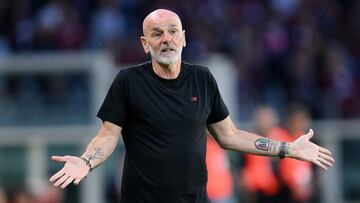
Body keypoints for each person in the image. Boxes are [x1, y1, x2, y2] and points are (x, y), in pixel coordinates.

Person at [49, 9, 335, 203]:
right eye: (157, 33)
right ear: (144, 43)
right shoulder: (128, 81)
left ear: (184, 37)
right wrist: (86, 162)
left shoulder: (202, 79)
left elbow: (230, 136)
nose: (166, 39)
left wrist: (288, 149)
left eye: (173, 31)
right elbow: (107, 136)